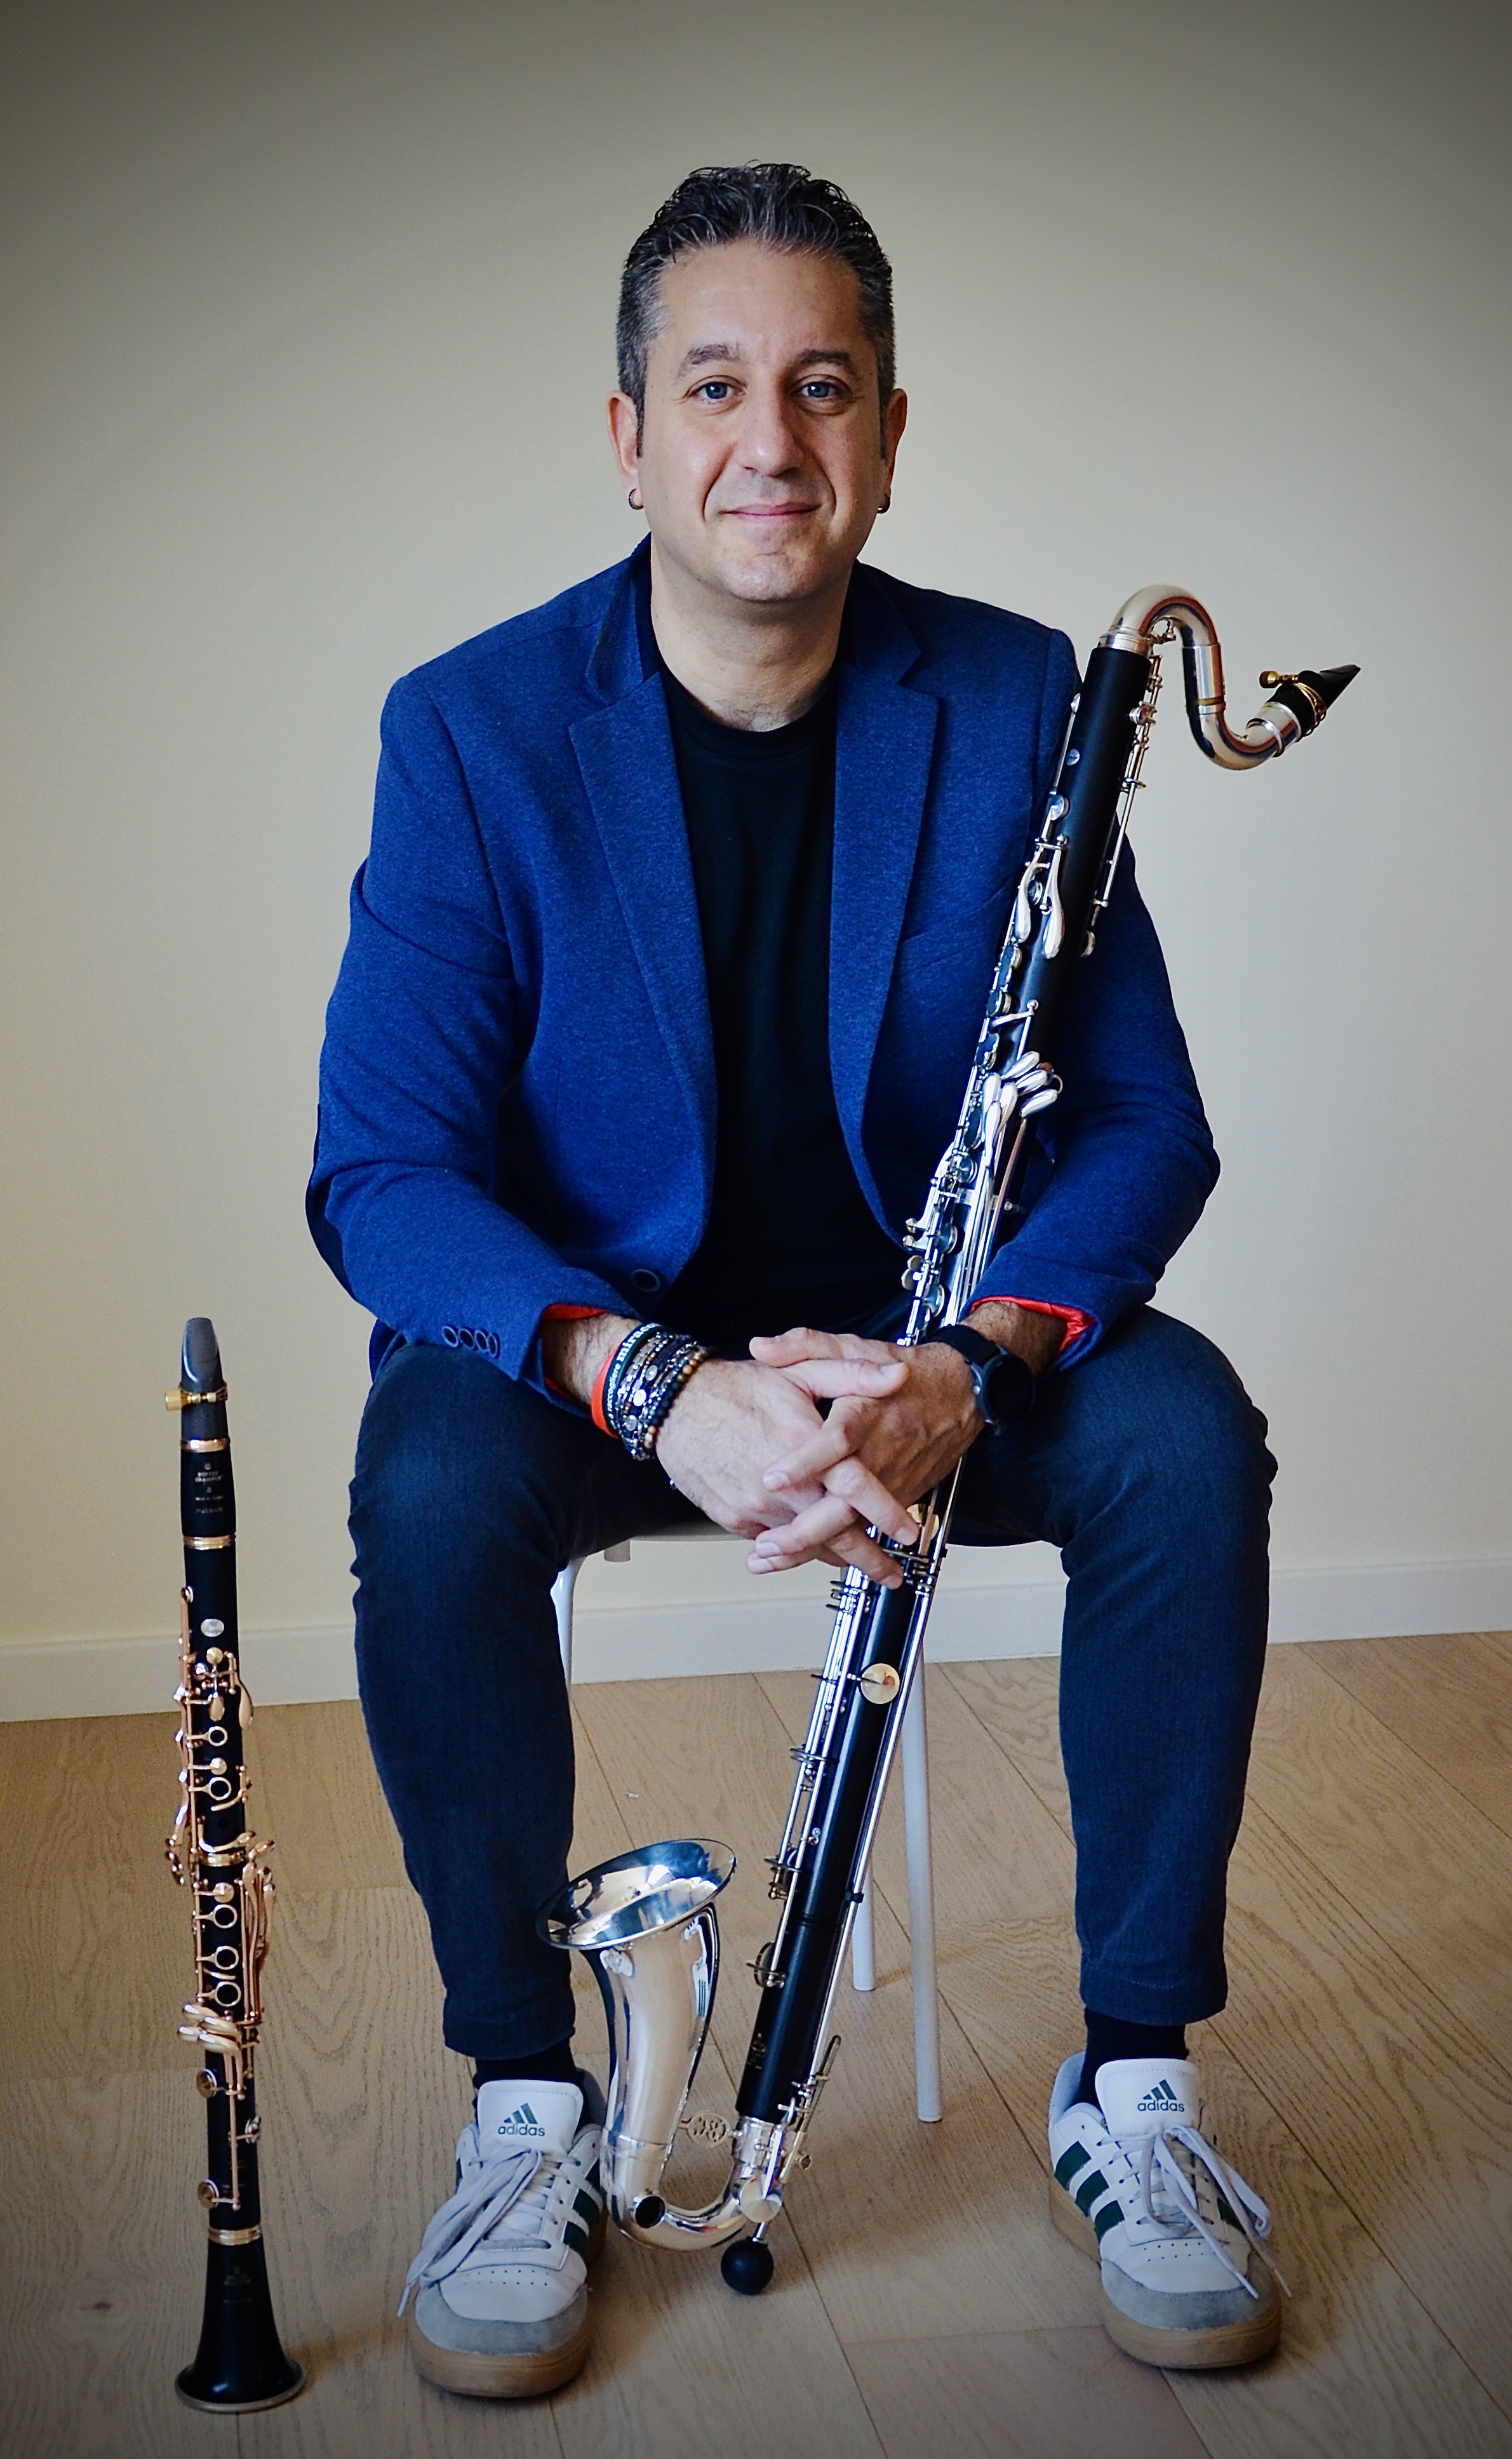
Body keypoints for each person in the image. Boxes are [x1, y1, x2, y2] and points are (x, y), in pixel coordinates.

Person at [308, 163, 1284, 2397]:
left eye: (824, 388)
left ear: (892, 434)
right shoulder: (468, 732)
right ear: (628, 435)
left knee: (1181, 1434)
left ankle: (1137, 2080)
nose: (773, 441)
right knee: (426, 1475)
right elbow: (383, 1175)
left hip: (923, 1354)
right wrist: (656, 1383)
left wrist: (972, 1361)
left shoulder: (1022, 699)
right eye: (717, 386)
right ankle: (526, 2101)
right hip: (607, 1358)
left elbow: (1148, 1123)